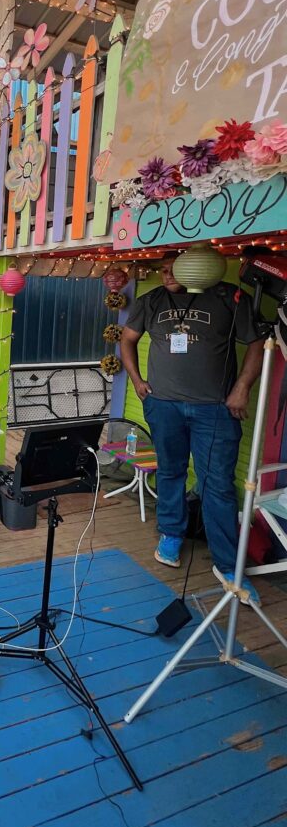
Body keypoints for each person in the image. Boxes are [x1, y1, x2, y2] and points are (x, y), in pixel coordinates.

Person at [120, 251, 265, 602]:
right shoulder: (151, 300)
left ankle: (228, 565)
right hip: (164, 406)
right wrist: (138, 381)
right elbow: (126, 340)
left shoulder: (227, 297)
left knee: (217, 485)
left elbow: (258, 343)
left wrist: (241, 388)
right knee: (170, 472)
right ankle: (171, 533)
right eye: (163, 269)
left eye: (174, 268)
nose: (166, 274)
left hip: (214, 410)